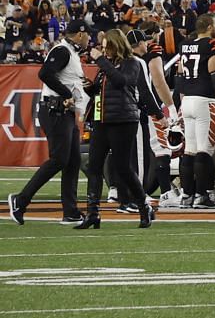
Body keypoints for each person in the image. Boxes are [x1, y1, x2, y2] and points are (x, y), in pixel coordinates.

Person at [78, 28, 165, 229]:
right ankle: (92, 212)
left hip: (123, 120)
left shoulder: (132, 63)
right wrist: (88, 86)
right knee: (95, 166)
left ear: (116, 45)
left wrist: (101, 61)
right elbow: (102, 89)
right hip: (103, 120)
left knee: (123, 168)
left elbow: (120, 82)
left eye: (107, 46)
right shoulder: (108, 65)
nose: (103, 49)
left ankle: (143, 206)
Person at [9, 29, 90, 225]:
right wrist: (66, 94)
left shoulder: (71, 53)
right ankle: (20, 200)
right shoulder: (62, 50)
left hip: (65, 112)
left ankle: (70, 211)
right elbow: (45, 73)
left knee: (72, 161)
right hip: (55, 110)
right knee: (59, 159)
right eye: (87, 35)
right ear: (80, 34)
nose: (89, 39)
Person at [171, 13, 215, 208]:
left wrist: (181, 104)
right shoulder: (214, 46)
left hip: (187, 100)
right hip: (206, 101)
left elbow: (179, 77)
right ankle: (201, 195)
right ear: (208, 26)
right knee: (204, 151)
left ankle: (187, 195)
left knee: (189, 151)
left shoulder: (185, 46)